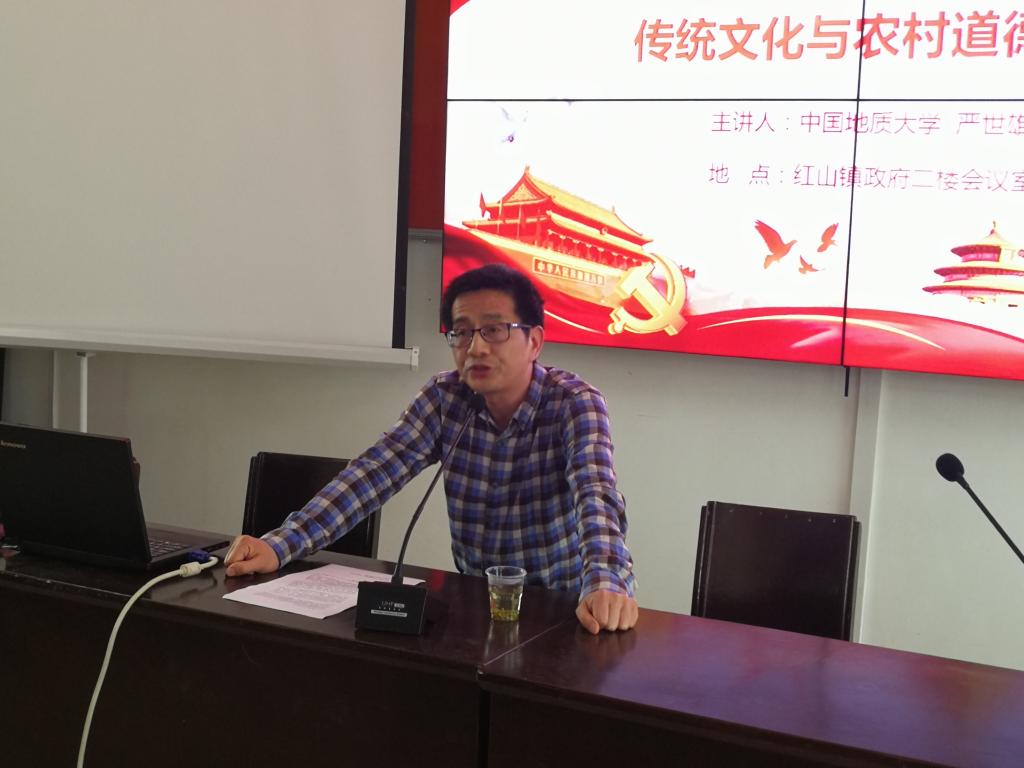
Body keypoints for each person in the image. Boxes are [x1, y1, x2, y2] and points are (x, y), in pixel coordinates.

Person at [225, 264, 638, 633]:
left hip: (564, 609)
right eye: (462, 332)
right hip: (478, 605)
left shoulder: (574, 403)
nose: (476, 347)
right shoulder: (445, 398)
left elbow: (596, 496)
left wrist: (606, 583)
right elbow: (373, 473)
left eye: (494, 330)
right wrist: (281, 543)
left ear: (534, 341)